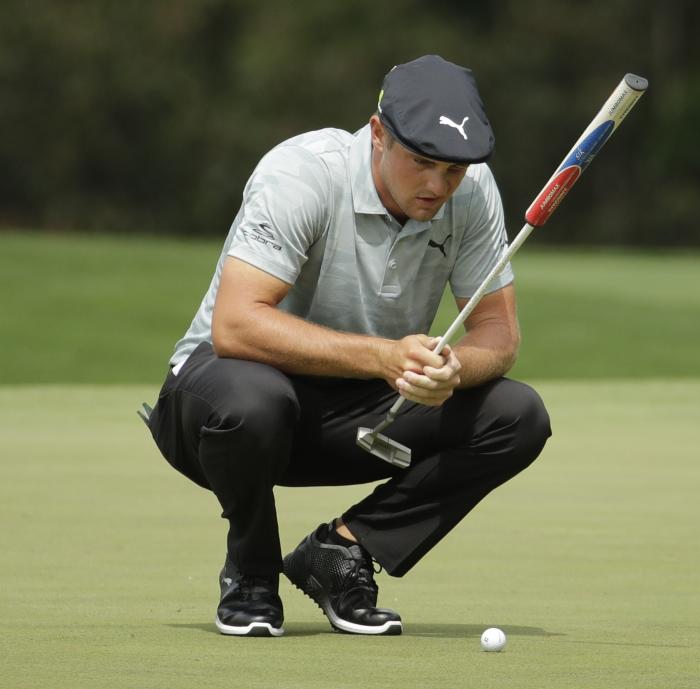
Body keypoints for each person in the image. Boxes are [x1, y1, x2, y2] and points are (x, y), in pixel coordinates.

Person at [144, 55, 551, 638]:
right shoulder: (303, 173)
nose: (439, 185)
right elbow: (235, 326)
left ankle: (341, 551)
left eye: (455, 169)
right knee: (256, 400)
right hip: (218, 409)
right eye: (423, 162)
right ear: (378, 134)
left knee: (517, 415)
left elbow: (499, 334)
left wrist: (453, 369)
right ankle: (251, 572)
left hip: (359, 416)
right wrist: (384, 358)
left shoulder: (472, 192)